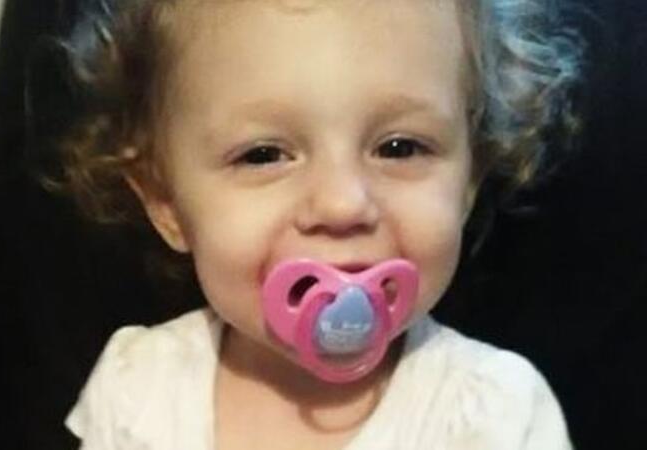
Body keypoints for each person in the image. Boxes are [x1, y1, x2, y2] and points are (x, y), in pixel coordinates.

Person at [57, 0, 584, 448]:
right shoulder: (140, 390)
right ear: (165, 201)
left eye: (400, 147)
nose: (342, 204)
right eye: (264, 155)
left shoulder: (493, 416)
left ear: (469, 181)